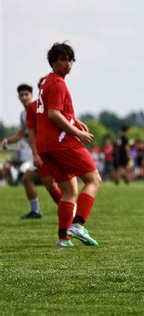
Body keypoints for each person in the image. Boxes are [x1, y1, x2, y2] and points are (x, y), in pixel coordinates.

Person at [35, 42, 102, 247]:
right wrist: (77, 133)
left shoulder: (47, 81)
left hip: (44, 144)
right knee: (93, 179)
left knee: (69, 189)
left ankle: (63, 239)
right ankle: (79, 224)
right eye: (63, 59)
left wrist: (74, 120)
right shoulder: (58, 83)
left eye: (70, 60)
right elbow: (54, 114)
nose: (68, 64)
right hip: (61, 142)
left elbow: (55, 112)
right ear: (53, 62)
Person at [1, 84, 49, 218]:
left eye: (26, 94)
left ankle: (71, 214)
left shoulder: (39, 109)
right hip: (38, 152)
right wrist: (8, 140)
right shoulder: (23, 114)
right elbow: (21, 134)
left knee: (54, 184)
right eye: (21, 95)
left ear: (31, 95)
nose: (24, 97)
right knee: (28, 179)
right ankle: (36, 211)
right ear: (18, 97)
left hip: (47, 151)